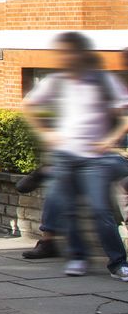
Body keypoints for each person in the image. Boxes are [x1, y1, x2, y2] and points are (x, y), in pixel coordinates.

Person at [21, 32, 127, 280]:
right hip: (65, 156)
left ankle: (118, 262)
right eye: (60, 53)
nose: (63, 57)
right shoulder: (56, 81)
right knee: (69, 209)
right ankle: (78, 257)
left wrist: (111, 139)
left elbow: (125, 113)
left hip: (94, 159)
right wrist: (45, 133)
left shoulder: (102, 80)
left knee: (100, 210)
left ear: (81, 53)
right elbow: (28, 105)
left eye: (67, 52)